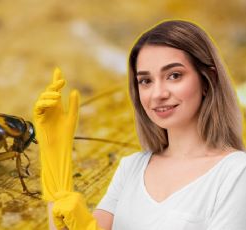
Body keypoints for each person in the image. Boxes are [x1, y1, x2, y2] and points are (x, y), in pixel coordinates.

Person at [33, 19, 246, 230]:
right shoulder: (131, 168)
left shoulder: (236, 172)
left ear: (208, 79)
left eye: (174, 75)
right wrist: (55, 164)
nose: (158, 94)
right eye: (146, 81)